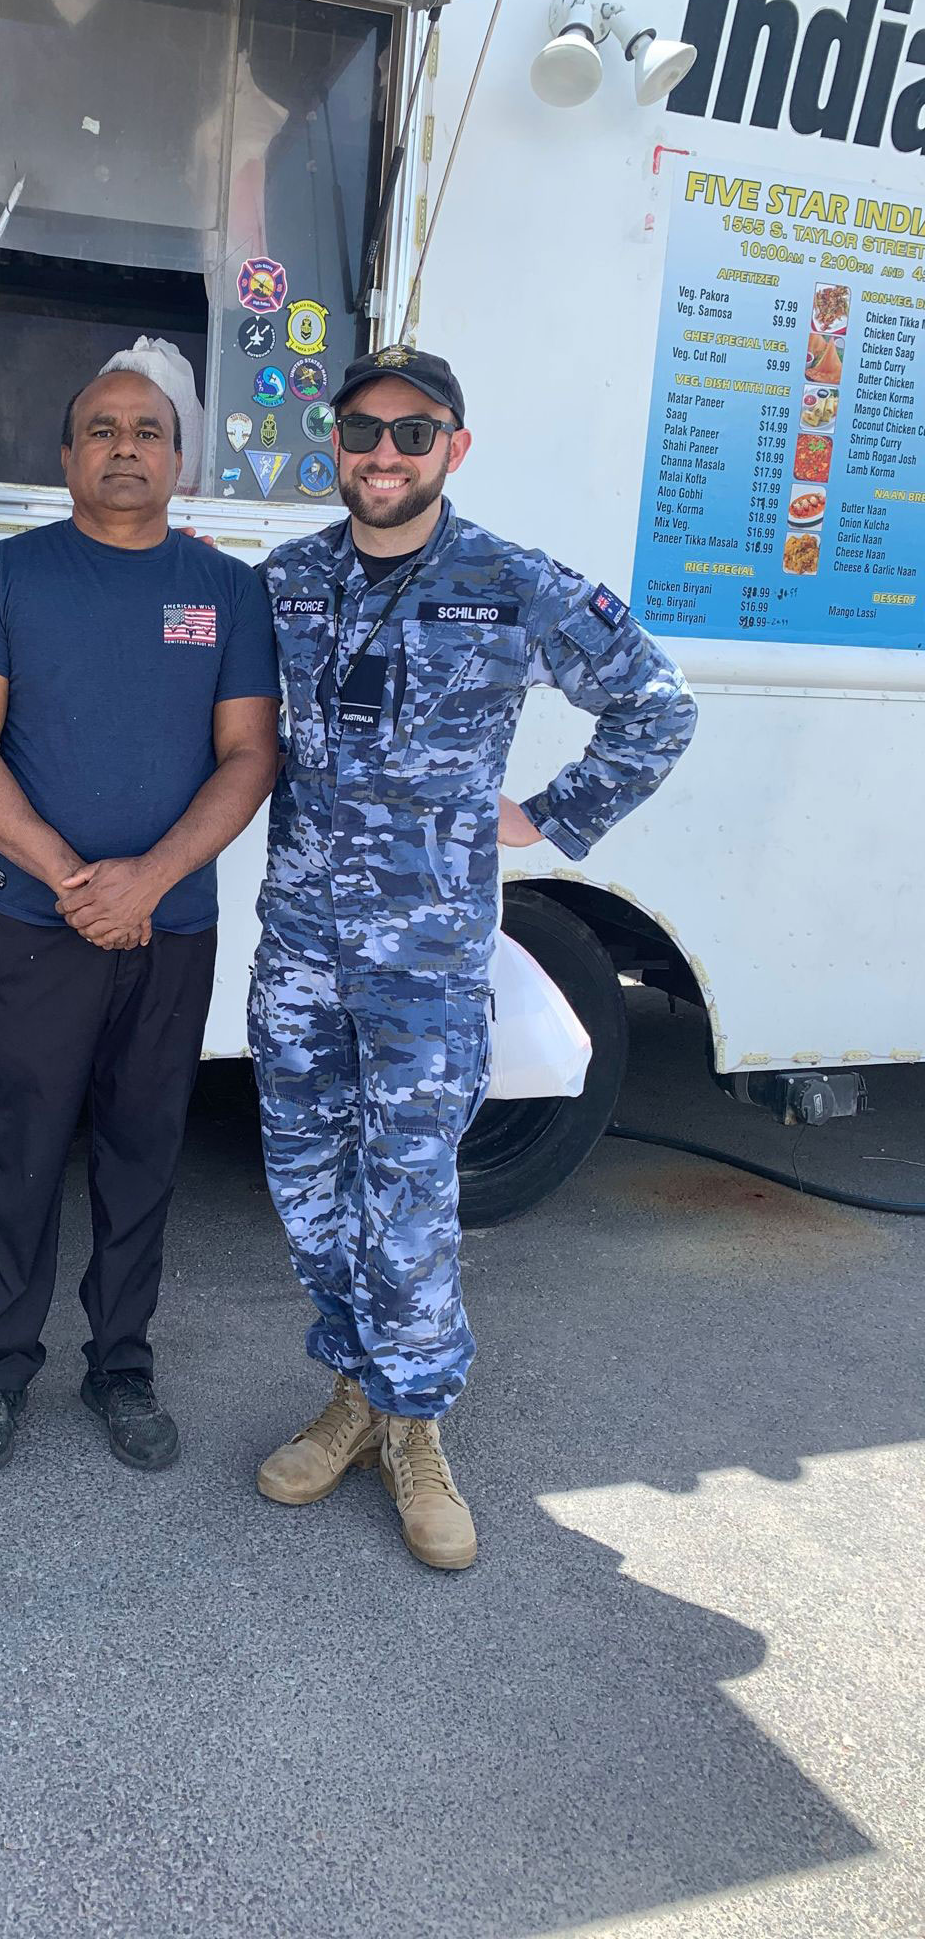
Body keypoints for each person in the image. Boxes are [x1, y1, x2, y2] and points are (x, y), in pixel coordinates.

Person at [250, 345, 697, 1569]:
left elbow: (657, 705)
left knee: (409, 1202)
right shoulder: (284, 582)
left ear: (454, 445)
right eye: (362, 431)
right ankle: (352, 1390)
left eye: (413, 431)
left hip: (427, 964)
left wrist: (551, 818)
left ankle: (415, 1421)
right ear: (333, 445)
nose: (382, 453)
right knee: (306, 1189)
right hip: (298, 955)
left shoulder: (511, 582)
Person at [0, 369, 279, 1476]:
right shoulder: (4, 576)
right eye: (100, 430)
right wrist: (79, 879)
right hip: (37, 921)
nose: (124, 446)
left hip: (173, 931)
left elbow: (248, 754)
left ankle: (122, 1364)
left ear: (180, 458)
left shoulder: (228, 591)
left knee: (143, 1152)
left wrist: (150, 881)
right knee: (23, 1149)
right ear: (67, 457)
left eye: (147, 430)